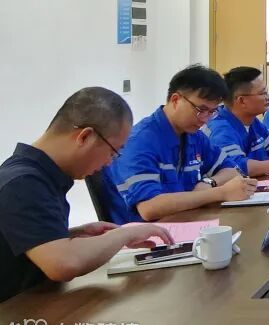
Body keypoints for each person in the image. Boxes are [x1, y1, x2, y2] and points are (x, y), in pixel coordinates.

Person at [1, 88, 175, 302]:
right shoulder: (24, 182)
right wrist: (125, 234)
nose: (109, 163)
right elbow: (63, 264)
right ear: (85, 136)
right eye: (113, 152)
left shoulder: (37, 175)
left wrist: (74, 234)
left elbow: (22, 244)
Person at [102, 66, 256, 223]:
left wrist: (209, 182)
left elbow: (232, 170)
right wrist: (220, 193)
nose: (205, 119)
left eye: (212, 112)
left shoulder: (193, 135)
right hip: (146, 232)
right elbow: (149, 208)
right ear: (175, 100)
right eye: (201, 110)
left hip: (185, 221)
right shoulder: (140, 141)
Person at [205, 67, 269, 177]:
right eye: (262, 93)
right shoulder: (220, 129)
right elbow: (236, 167)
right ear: (242, 100)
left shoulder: (252, 121)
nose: (268, 97)